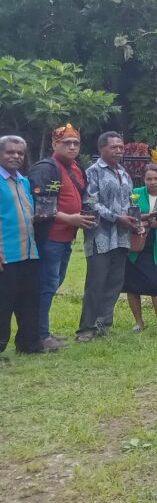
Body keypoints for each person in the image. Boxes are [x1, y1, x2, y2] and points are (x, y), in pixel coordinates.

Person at [28, 123, 92, 350]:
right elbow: (37, 206)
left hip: (66, 239)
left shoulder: (76, 168)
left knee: (54, 284)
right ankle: (39, 335)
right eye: (67, 143)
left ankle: (43, 331)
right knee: (46, 285)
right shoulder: (45, 168)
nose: (72, 147)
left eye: (76, 143)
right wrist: (69, 219)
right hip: (49, 238)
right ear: (55, 144)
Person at [77, 131, 137, 342]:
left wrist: (135, 217)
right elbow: (90, 202)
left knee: (114, 282)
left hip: (121, 236)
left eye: (121, 147)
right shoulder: (93, 172)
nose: (119, 151)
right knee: (96, 283)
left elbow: (129, 201)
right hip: (100, 236)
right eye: (114, 147)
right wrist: (116, 217)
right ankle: (86, 328)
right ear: (101, 148)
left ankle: (104, 325)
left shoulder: (124, 173)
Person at [0, 135, 44, 354]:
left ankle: (28, 344)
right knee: (3, 303)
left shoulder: (24, 181)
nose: (15, 156)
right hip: (5, 254)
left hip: (28, 253)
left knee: (28, 301)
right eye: (10, 152)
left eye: (20, 153)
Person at [123, 165, 157, 333]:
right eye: (149, 179)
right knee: (131, 285)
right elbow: (130, 215)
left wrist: (148, 223)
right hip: (135, 244)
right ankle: (139, 322)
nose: (153, 182)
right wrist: (145, 222)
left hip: (155, 246)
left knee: (155, 284)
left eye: (156, 178)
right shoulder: (136, 193)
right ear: (144, 179)